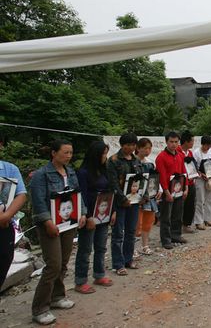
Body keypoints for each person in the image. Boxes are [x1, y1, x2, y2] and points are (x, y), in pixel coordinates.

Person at [30, 140, 87, 325]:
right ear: (53, 153)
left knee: (63, 262)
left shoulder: (70, 172)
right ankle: (40, 307)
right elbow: (38, 201)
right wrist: (47, 221)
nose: (69, 156)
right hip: (50, 224)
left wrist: (82, 212)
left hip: (68, 222)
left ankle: (57, 296)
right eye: (65, 152)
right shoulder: (41, 175)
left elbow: (77, 194)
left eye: (71, 153)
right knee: (52, 264)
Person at [74, 141, 114, 295]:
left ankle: (99, 274)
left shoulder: (104, 170)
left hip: (103, 213)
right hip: (90, 215)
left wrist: (113, 211)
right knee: (85, 248)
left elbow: (110, 191)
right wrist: (88, 215)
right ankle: (80, 280)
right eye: (103, 153)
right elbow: (82, 195)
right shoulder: (83, 173)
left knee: (101, 246)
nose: (105, 156)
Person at [107, 133, 143, 274]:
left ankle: (128, 259)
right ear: (122, 145)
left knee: (131, 231)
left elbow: (141, 180)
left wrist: (142, 196)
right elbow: (113, 183)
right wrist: (123, 199)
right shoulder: (114, 160)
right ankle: (118, 263)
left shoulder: (136, 161)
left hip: (134, 202)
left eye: (133, 145)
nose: (130, 147)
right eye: (128, 145)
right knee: (117, 233)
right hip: (119, 202)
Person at [155, 131, 188, 249]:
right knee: (166, 216)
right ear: (166, 142)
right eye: (171, 142)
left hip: (179, 189)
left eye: (176, 142)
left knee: (178, 214)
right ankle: (166, 239)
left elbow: (184, 172)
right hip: (167, 190)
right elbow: (162, 177)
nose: (173, 144)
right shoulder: (161, 157)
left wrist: (186, 187)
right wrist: (166, 192)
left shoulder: (180, 156)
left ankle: (176, 235)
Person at [0, 159, 27, 292]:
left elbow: (21, 195)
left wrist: (6, 215)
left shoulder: (10, 169)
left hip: (4, 226)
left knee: (3, 262)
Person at [135, 138, 161, 256]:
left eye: (149, 148)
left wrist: (158, 189)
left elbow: (154, 178)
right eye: (145, 148)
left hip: (150, 196)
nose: (147, 150)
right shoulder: (133, 162)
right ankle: (133, 247)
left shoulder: (150, 163)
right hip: (137, 196)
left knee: (148, 221)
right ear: (138, 148)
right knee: (136, 222)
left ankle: (145, 245)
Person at [193, 135, 211, 229]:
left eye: (210, 145)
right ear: (202, 144)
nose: (208, 147)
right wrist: (201, 174)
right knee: (200, 199)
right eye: (207, 145)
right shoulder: (196, 153)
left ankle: (208, 218)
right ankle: (199, 221)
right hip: (200, 179)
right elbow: (194, 167)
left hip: (210, 178)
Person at [178, 131, 196, 234]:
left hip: (191, 181)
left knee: (190, 204)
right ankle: (176, 226)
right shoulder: (177, 151)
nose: (193, 143)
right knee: (179, 205)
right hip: (181, 183)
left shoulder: (190, 153)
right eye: (192, 141)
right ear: (186, 141)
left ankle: (187, 224)